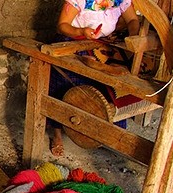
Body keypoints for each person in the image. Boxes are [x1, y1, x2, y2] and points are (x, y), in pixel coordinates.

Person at [49, 0, 140, 156]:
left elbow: (132, 20)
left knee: (117, 77)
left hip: (102, 43)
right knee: (65, 82)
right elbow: (62, 25)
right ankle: (57, 132)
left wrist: (133, 39)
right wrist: (81, 31)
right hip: (74, 41)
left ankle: (105, 130)